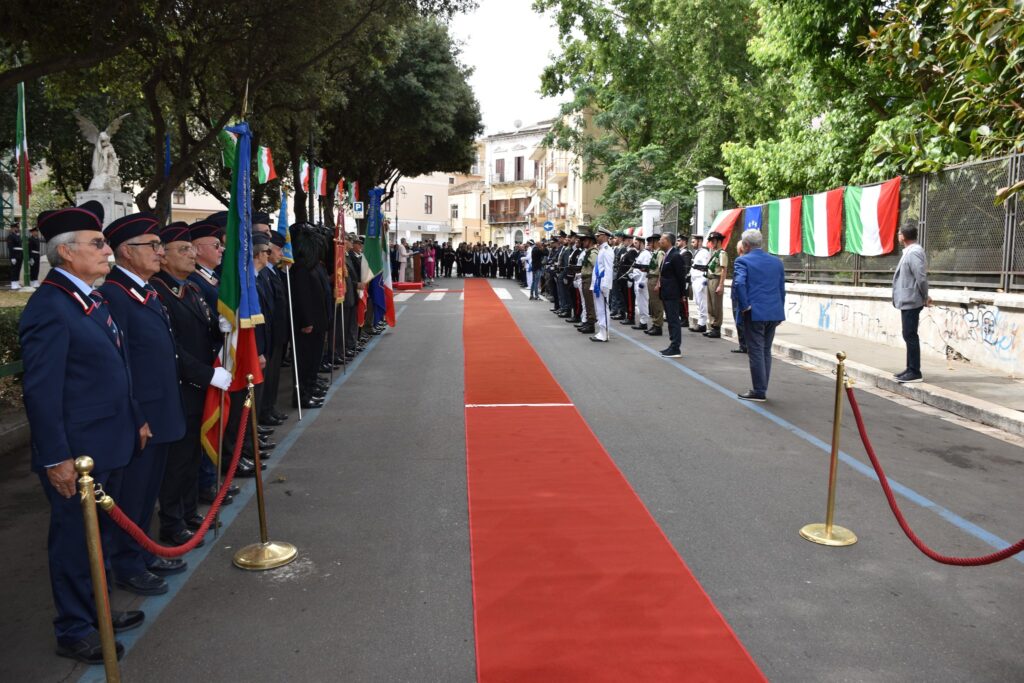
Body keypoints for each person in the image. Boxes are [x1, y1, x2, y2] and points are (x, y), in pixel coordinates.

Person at [19, 201, 144, 664]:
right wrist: (56, 458)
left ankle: (99, 612)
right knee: (74, 542)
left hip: (108, 442)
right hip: (77, 452)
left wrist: (134, 417)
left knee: (99, 537)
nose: (106, 250)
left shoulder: (86, 297)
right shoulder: (50, 306)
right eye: (97, 244)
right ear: (67, 253)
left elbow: (115, 368)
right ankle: (74, 628)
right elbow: (41, 391)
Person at [99, 212, 189, 595]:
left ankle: (144, 550)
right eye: (151, 246)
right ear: (125, 252)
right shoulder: (115, 295)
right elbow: (120, 363)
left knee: (147, 492)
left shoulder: (146, 290)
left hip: (162, 408)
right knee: (132, 495)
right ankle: (127, 563)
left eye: (158, 245)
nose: (159, 252)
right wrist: (137, 413)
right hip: (142, 415)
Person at [151, 223, 234, 548]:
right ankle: (172, 522)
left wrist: (221, 329)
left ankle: (187, 512)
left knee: (191, 455)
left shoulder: (192, 289)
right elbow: (172, 347)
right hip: (181, 387)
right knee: (177, 461)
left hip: (199, 386)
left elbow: (207, 330)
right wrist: (205, 373)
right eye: (183, 250)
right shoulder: (160, 292)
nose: (191, 254)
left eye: (191, 248)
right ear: (165, 257)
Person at [732, 228, 786, 401]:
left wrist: (745, 306)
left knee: (756, 351)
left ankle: (759, 390)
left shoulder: (743, 261)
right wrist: (779, 310)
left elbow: (739, 284)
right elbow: (781, 289)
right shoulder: (776, 262)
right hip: (773, 311)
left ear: (746, 245)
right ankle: (762, 387)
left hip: (754, 312)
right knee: (765, 351)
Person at [892, 225, 931, 383]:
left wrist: (925, 296)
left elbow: (921, 277)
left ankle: (915, 371)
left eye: (899, 233)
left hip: (912, 299)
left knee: (910, 335)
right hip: (908, 299)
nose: (897, 235)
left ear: (903, 236)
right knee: (908, 334)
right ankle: (909, 368)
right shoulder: (909, 251)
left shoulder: (914, 252)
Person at [656, 233, 689, 358]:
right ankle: (672, 345)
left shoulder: (676, 256)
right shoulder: (667, 255)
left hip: (673, 293)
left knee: (674, 320)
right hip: (666, 293)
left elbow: (681, 277)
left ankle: (676, 347)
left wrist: (683, 294)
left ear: (668, 241)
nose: (659, 241)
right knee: (670, 320)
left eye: (661, 239)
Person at [590, 227, 616, 342]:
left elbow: (608, 269)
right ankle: (601, 331)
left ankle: (604, 334)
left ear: (605, 236)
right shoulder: (601, 250)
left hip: (602, 284)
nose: (597, 237)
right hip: (597, 284)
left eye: (599, 235)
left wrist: (605, 285)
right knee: (599, 309)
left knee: (603, 309)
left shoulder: (607, 250)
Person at [703, 231, 728, 339]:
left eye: (713, 241)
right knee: (710, 305)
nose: (712, 243)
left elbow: (724, 269)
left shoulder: (722, 253)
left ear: (719, 241)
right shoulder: (714, 252)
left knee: (716, 305)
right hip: (710, 279)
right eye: (711, 241)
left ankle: (716, 327)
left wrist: (721, 285)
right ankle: (712, 326)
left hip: (716, 280)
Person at [730, 239, 749, 354]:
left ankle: (744, 345)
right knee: (738, 321)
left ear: (740, 249)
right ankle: (743, 344)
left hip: (740, 296)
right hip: (736, 294)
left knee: (740, 321)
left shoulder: (741, 260)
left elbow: (740, 282)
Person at [645, 234, 665, 336]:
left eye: (651, 241)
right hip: (651, 278)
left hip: (656, 279)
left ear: (657, 242)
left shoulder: (660, 253)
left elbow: (661, 268)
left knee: (657, 304)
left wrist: (659, 283)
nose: (650, 244)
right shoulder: (655, 253)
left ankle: (658, 326)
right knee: (652, 303)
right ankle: (654, 323)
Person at [689, 234, 709, 333]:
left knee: (702, 302)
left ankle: (702, 324)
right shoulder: (698, 252)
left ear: (700, 242)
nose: (692, 244)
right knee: (698, 302)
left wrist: (704, 281)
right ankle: (700, 323)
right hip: (695, 279)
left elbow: (706, 267)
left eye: (694, 242)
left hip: (700, 280)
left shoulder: (704, 252)